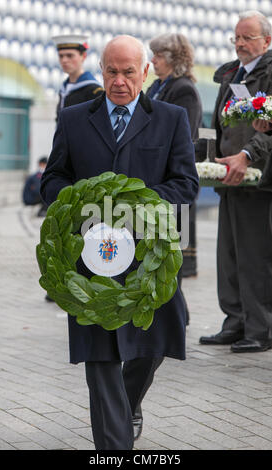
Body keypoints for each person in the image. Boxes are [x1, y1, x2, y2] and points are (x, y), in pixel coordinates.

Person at [41, 35, 198, 450]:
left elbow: (185, 184)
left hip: (150, 258)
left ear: (145, 72)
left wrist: (136, 206)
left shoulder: (171, 118)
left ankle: (126, 403)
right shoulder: (75, 119)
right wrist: (78, 205)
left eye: (129, 72)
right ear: (102, 70)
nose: (120, 81)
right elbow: (53, 178)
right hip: (91, 260)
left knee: (162, 334)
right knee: (101, 353)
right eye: (112, 71)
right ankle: (114, 448)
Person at [199, 11, 272, 353]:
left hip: (259, 179)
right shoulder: (232, 74)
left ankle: (261, 328)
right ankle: (236, 321)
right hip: (230, 178)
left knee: (255, 257)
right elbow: (222, 125)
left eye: (248, 37)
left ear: (267, 41)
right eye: (236, 38)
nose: (240, 43)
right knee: (229, 255)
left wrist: (247, 156)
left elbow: (268, 126)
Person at [147, 33, 203, 325]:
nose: (152, 60)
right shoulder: (157, 86)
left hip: (172, 181)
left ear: (173, 58)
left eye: (157, 55)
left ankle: (176, 318)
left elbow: (186, 137)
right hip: (153, 179)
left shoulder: (184, 90)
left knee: (172, 257)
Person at [52, 34, 103, 121]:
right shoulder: (64, 89)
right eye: (61, 56)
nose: (64, 60)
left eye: (70, 56)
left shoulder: (94, 90)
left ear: (83, 56)